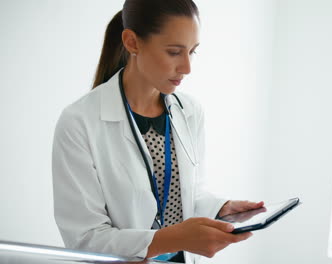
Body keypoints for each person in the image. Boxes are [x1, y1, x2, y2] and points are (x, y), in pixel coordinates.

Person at [51, 0, 264, 263]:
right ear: (132, 42)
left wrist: (221, 209)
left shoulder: (190, 111)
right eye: (174, 52)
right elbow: (83, 239)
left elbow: (188, 193)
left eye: (192, 52)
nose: (187, 68)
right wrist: (175, 238)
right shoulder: (79, 122)